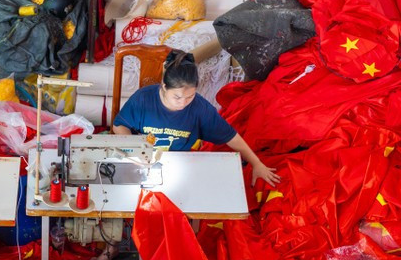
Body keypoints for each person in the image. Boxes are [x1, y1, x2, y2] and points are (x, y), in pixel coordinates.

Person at [112, 50, 280, 187]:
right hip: (142, 162)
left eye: (190, 97)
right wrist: (133, 152)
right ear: (164, 86)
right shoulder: (143, 99)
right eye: (177, 97)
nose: (183, 103)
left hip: (178, 166)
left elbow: (231, 137)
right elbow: (119, 125)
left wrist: (256, 163)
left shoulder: (200, 109)